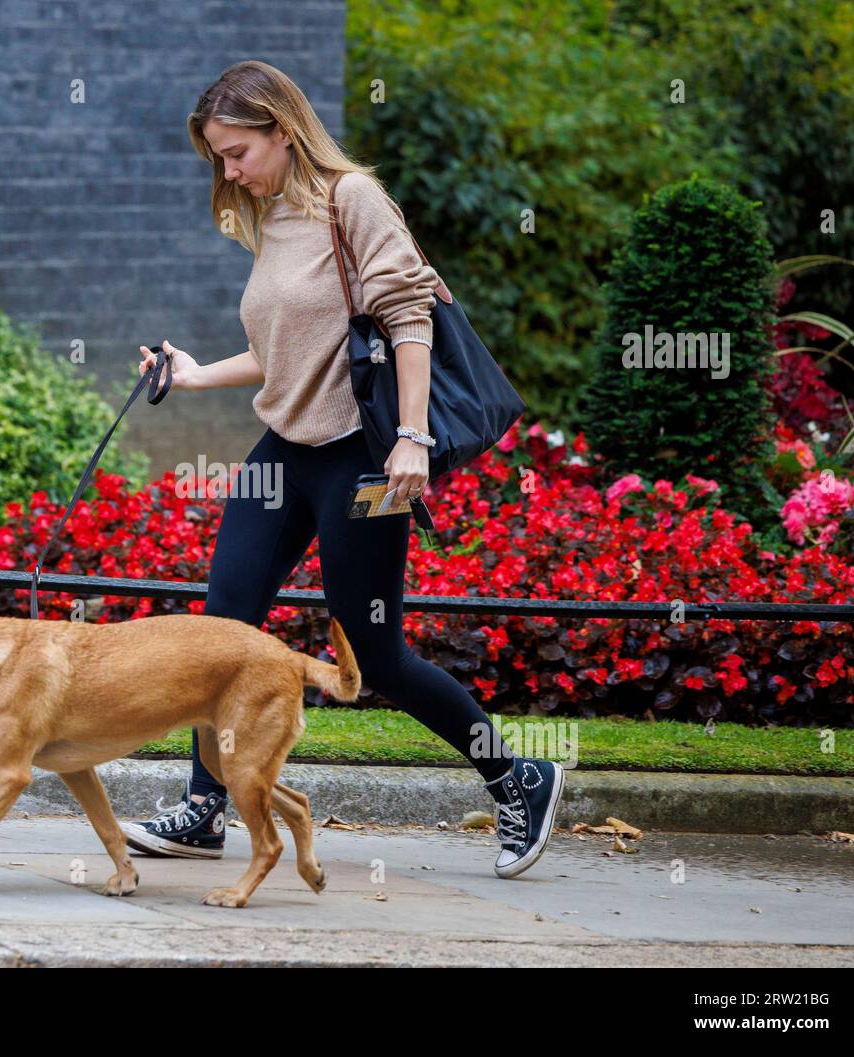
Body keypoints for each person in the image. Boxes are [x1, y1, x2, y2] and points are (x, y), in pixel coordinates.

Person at [121, 60, 563, 880]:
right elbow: (280, 347)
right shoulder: (272, 215)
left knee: (376, 651)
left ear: (283, 131)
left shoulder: (351, 200)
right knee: (219, 628)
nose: (229, 171)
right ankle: (206, 809)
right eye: (218, 157)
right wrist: (190, 373)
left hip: (361, 456)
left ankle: (519, 776)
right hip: (285, 450)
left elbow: (408, 315)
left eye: (237, 151)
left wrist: (413, 438)